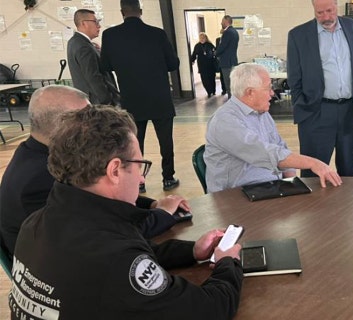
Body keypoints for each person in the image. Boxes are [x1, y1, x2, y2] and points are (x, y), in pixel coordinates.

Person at [9, 105, 243, 319]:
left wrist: (191, 251)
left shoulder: (37, 222)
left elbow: (132, 252)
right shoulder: (113, 257)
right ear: (114, 170)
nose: (141, 178)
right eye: (140, 165)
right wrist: (227, 263)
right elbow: (209, 310)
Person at [0, 86, 188, 257]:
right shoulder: (40, 178)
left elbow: (102, 196)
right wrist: (162, 214)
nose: (98, 124)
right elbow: (109, 232)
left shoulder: (36, 152)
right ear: (63, 125)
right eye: (87, 118)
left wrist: (153, 205)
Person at [204, 63, 342, 192]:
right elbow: (266, 153)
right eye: (268, 88)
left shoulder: (261, 113)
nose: (272, 93)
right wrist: (314, 163)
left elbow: (280, 147)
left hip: (267, 189)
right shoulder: (225, 121)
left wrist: (291, 182)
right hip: (235, 198)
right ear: (250, 92)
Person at [287, 0, 353, 177]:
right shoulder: (298, 35)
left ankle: (346, 204)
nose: (326, 17)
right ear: (313, 9)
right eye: (320, 13)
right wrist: (303, 106)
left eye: (329, 10)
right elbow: (294, 78)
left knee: (348, 171)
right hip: (316, 112)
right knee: (313, 172)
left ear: (337, 5)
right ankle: (313, 205)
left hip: (349, 111)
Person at [100, 0, 180, 192]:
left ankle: (138, 181)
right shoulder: (157, 34)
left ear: (122, 12)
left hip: (132, 99)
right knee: (165, 141)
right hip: (159, 98)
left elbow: (105, 67)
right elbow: (173, 64)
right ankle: (168, 178)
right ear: (141, 11)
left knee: (134, 142)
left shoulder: (110, 35)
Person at [66, 8, 119, 105]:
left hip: (91, 100)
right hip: (98, 102)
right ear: (84, 23)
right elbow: (93, 77)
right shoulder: (84, 47)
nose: (99, 26)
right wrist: (107, 99)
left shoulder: (75, 42)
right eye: (95, 22)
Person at [216, 15, 238, 99]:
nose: (221, 23)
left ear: (226, 22)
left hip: (226, 62)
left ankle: (231, 103)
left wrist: (216, 53)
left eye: (222, 21)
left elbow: (222, 46)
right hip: (232, 61)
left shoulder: (228, 32)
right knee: (232, 84)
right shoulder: (234, 31)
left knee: (228, 84)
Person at [190, 32, 218, 97]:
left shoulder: (210, 45)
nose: (202, 39)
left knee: (211, 78)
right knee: (204, 79)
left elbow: (215, 52)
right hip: (202, 65)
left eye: (203, 37)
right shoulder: (197, 46)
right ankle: (209, 91)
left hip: (210, 65)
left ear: (206, 38)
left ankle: (213, 91)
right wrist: (192, 60)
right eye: (201, 38)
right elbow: (194, 54)